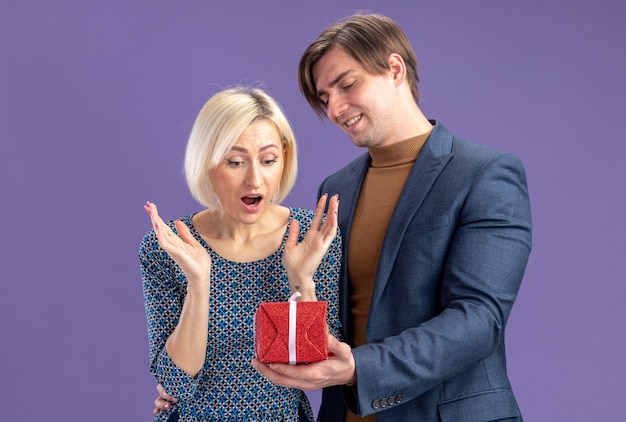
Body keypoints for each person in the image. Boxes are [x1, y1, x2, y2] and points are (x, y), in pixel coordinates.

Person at [250, 13, 532, 421]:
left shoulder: (484, 174)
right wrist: (193, 384)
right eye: (325, 97)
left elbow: (478, 319)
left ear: (395, 69)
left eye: (347, 85)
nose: (335, 108)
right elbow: (321, 325)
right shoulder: (336, 188)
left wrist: (360, 368)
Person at [140, 86, 342, 421]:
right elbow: (174, 382)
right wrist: (199, 284)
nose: (254, 179)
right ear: (207, 164)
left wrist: (303, 281)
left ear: (285, 158)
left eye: (268, 160)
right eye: (235, 162)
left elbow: (319, 369)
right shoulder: (168, 248)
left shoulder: (313, 237)